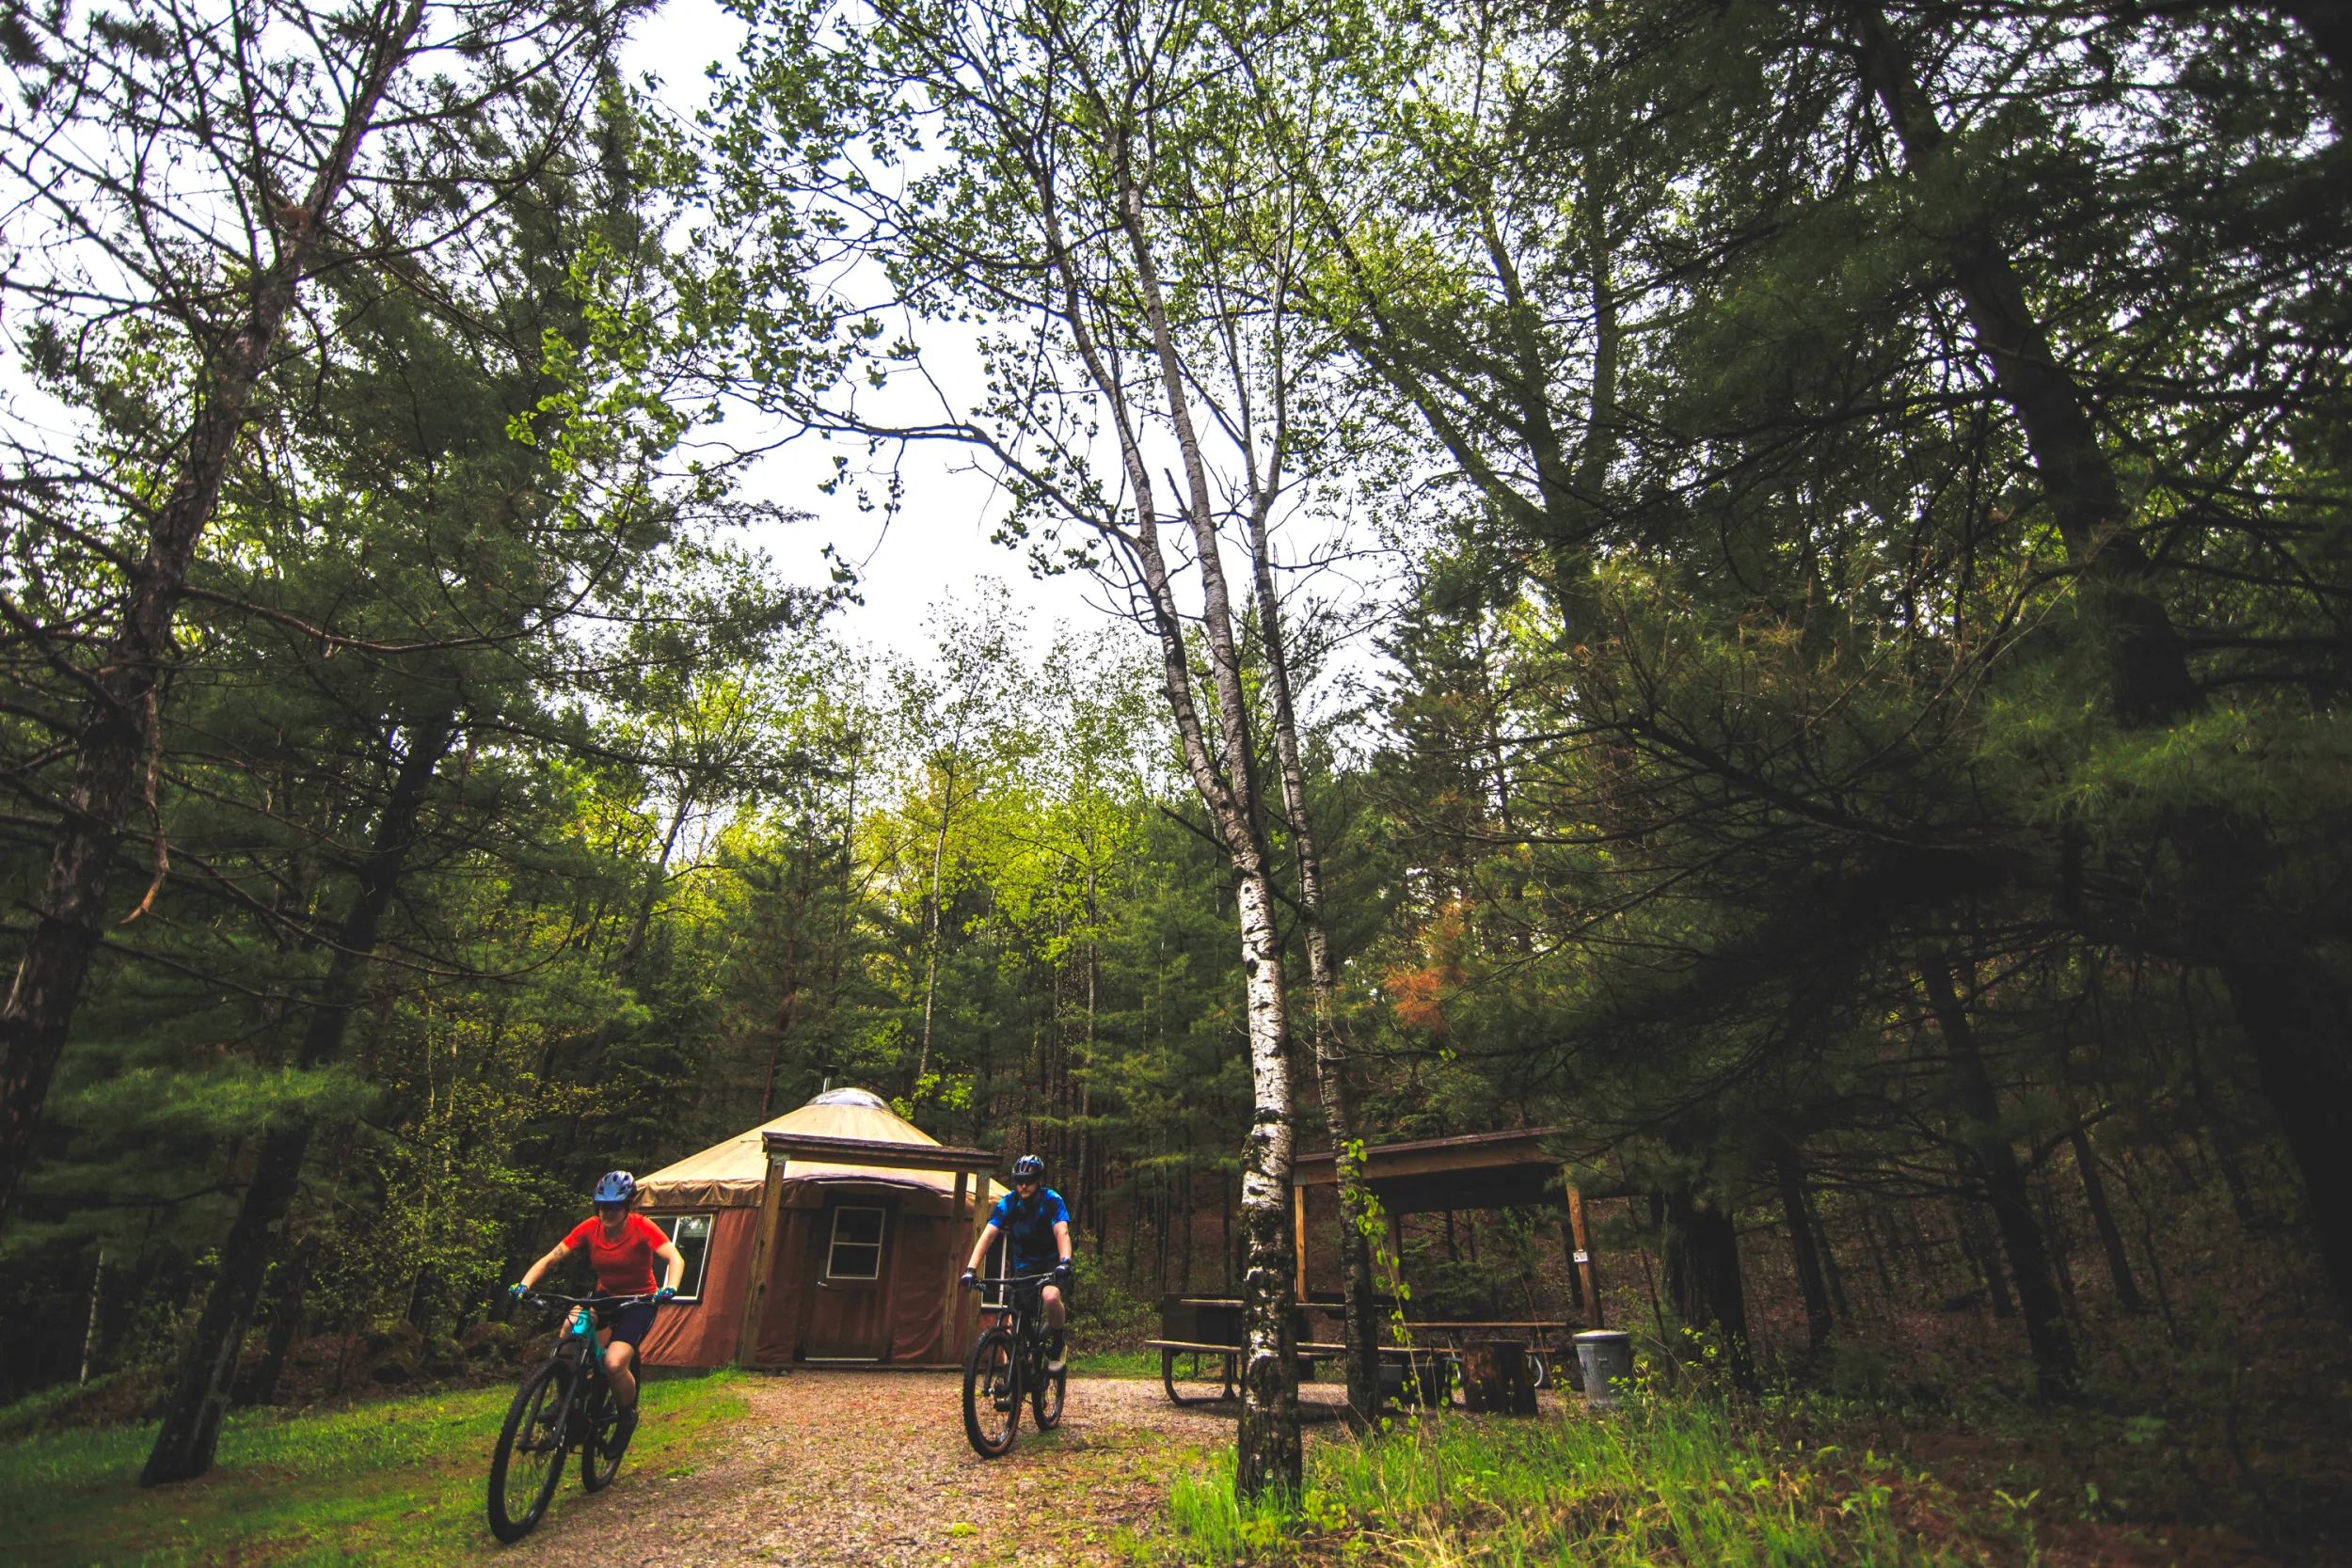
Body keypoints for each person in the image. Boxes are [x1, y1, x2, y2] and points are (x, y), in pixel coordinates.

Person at [514, 1171, 683, 1441]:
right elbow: (550, 1259)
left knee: (614, 1364)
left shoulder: (642, 1227)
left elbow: (674, 1257)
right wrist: (524, 1284)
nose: (608, 1212)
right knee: (570, 1326)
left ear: (627, 1206)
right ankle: (565, 1396)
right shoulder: (590, 1228)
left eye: (615, 1206)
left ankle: (627, 1416)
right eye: (603, 1206)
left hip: (639, 1302)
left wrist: (670, 1287)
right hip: (605, 1296)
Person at [961, 1153, 1073, 1372]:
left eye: (1029, 1181)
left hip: (1052, 1263)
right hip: (1023, 1266)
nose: (1023, 1186)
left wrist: (1065, 1262)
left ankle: (1058, 1343)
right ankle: (1015, 1378)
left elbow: (1062, 1231)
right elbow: (989, 1234)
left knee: (1050, 1297)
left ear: (1038, 1181)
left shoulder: (1051, 1200)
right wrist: (970, 1269)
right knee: (1015, 1320)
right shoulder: (1009, 1203)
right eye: (1019, 1181)